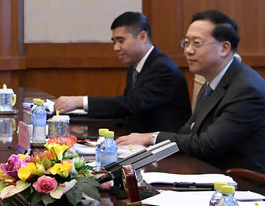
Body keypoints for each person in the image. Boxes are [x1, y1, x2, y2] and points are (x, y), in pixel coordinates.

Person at [117, 10, 265, 183]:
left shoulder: (247, 91)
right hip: (216, 177)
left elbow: (207, 145)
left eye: (197, 43)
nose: (189, 51)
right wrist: (138, 155)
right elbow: (187, 134)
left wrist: (151, 137)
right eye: (187, 42)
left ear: (224, 48)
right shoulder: (212, 83)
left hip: (253, 188)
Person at [53, 11, 191, 133]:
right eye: (114, 42)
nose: (116, 48)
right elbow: (125, 111)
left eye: (121, 41)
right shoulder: (135, 65)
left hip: (165, 150)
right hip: (137, 139)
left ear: (143, 37)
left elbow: (132, 104)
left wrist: (80, 101)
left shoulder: (163, 68)